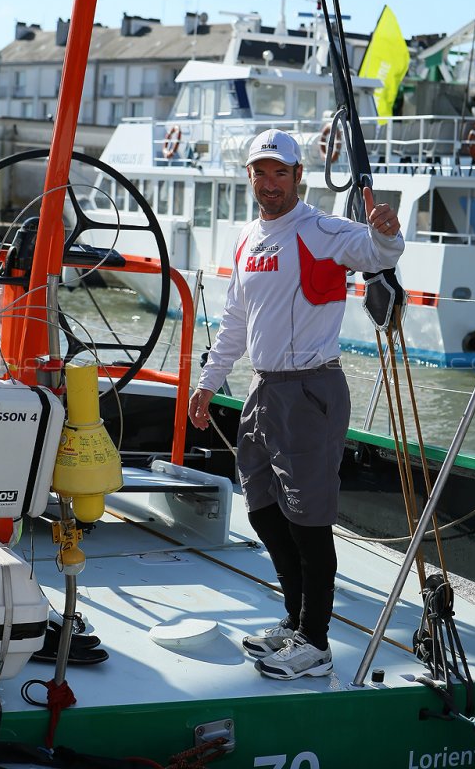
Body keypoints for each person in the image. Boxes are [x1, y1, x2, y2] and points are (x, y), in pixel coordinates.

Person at [189, 128, 404, 680]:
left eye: (279, 172)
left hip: (311, 388)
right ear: (250, 178)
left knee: (310, 519)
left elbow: (374, 249)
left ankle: (317, 643)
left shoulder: (319, 229)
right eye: (260, 173)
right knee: (261, 506)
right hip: (263, 389)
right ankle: (294, 620)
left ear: (298, 176)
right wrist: (208, 381)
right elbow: (235, 320)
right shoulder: (245, 240)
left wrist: (387, 233)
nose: (269, 183)